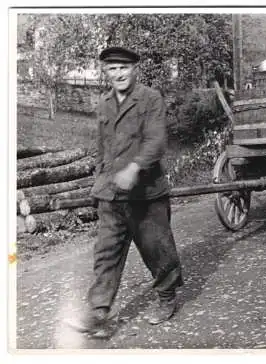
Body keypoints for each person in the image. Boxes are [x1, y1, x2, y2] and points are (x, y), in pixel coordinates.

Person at [66, 46, 184, 334]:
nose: (118, 74)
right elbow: (102, 149)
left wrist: (134, 168)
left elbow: (156, 141)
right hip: (111, 194)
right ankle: (98, 313)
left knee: (157, 250)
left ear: (134, 69)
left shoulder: (150, 99)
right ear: (105, 72)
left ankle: (167, 298)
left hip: (146, 193)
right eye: (112, 69)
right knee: (106, 254)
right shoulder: (104, 102)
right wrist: (98, 182)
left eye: (124, 68)